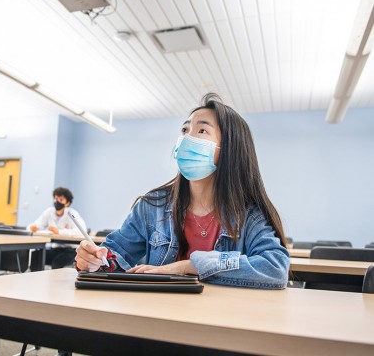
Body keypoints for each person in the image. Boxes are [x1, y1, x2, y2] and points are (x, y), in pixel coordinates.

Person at [75, 93, 290, 289]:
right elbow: (114, 256)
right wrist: (94, 260)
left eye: (202, 130)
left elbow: (276, 268)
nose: (187, 138)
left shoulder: (248, 215)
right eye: (185, 130)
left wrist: (186, 266)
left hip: (222, 321)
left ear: (229, 150)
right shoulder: (152, 207)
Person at [28, 187, 87, 269]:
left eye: (61, 199)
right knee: (37, 256)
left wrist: (59, 232)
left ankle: (54, 282)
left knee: (57, 262)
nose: (57, 201)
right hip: (55, 248)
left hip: (70, 250)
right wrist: (32, 227)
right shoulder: (49, 212)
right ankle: (35, 279)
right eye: (56, 198)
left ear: (67, 203)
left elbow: (82, 231)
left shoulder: (72, 213)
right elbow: (35, 225)